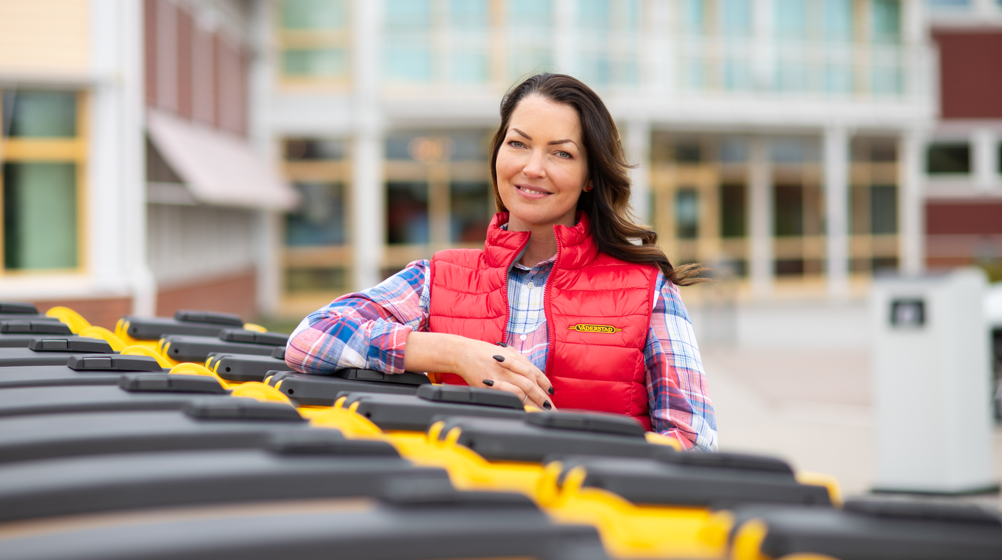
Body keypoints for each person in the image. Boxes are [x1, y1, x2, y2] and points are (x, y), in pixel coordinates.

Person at [286, 73, 717, 451]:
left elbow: (692, 441)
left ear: (590, 176)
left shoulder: (648, 289)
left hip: (587, 522)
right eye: (518, 144)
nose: (533, 167)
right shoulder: (436, 278)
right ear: (497, 155)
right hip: (464, 516)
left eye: (561, 153)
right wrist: (454, 353)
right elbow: (310, 339)